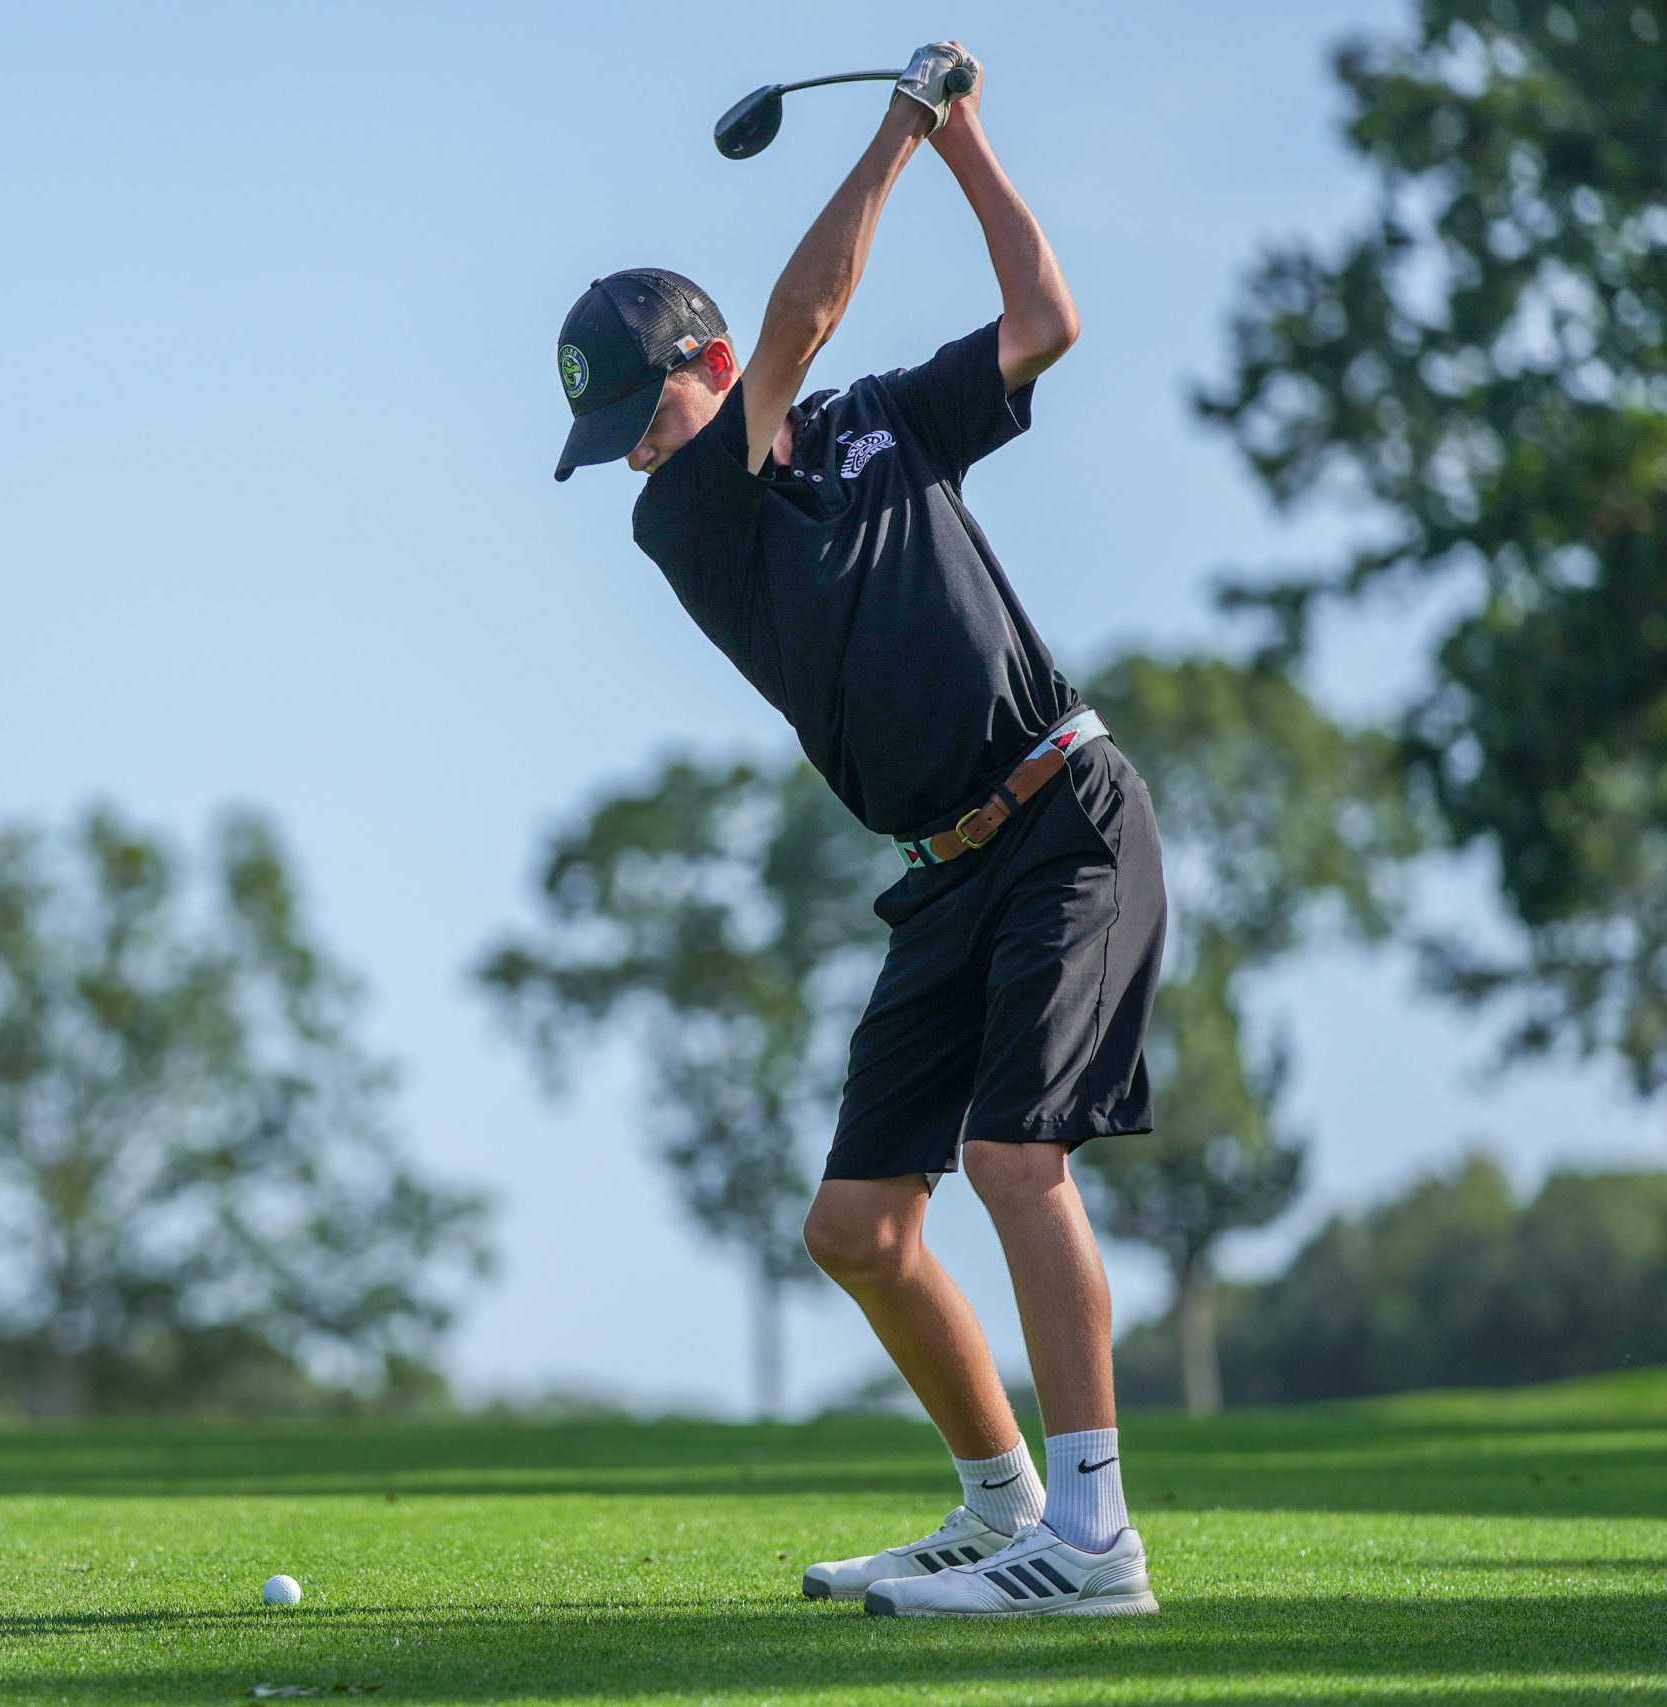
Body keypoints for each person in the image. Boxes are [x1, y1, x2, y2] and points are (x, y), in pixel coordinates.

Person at [550, 44, 1165, 1619]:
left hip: (1065, 813)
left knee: (1014, 1156)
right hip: (946, 875)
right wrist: (896, 128)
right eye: (615, 431)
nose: (631, 446)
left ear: (693, 360)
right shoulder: (687, 516)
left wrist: (961, 143)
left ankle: (1095, 1548)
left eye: (639, 409)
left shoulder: (885, 422)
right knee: (859, 1227)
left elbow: (1048, 325)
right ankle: (1000, 1504)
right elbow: (801, 320)